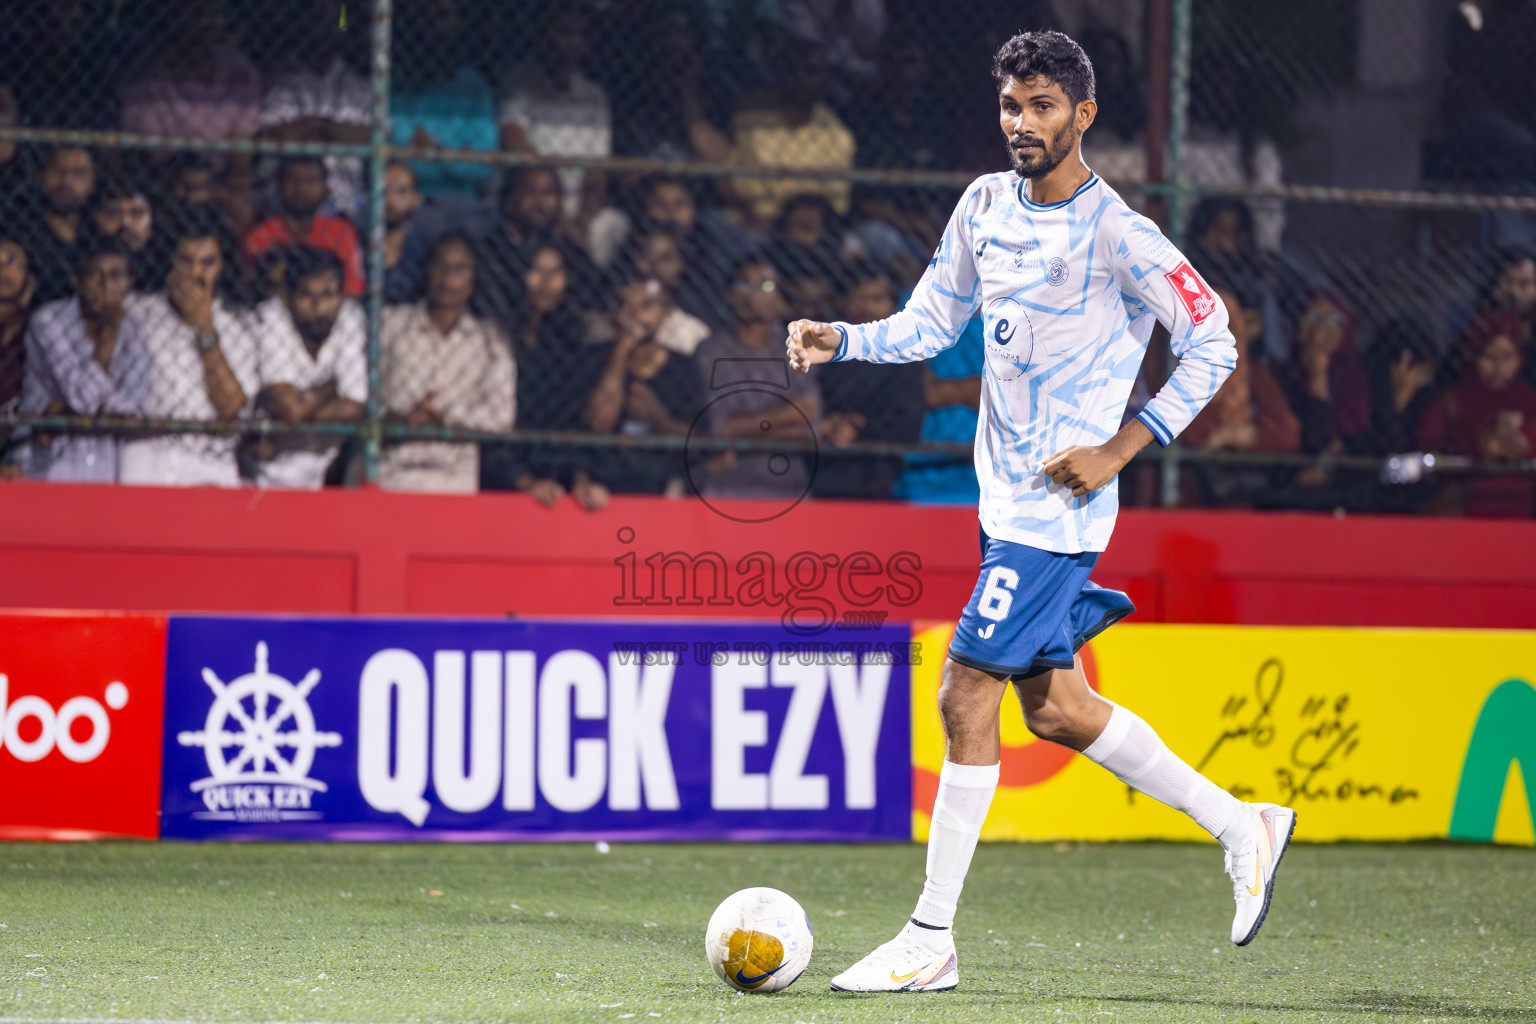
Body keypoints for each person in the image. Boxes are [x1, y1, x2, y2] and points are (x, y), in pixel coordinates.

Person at [785, 31, 1295, 992]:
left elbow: (1215, 340)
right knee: (1057, 709)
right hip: (1001, 500)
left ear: (1083, 115)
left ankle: (930, 938)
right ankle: (1244, 824)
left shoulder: (1120, 233)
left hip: (1059, 513)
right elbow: (931, 323)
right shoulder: (983, 203)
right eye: (1012, 106)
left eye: (1043, 106)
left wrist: (1121, 447)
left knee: (962, 691)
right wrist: (840, 338)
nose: (1023, 123)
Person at [119, 209, 260, 487]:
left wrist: (203, 324)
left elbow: (231, 409)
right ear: (170, 262)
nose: (195, 274)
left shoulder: (241, 324)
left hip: (207, 466)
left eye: (207, 263)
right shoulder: (134, 314)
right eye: (185, 261)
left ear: (222, 266)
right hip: (145, 462)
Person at [378, 233, 514, 493]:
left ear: (474, 278)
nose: (448, 278)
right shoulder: (391, 324)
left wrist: (446, 416)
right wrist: (399, 418)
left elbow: (501, 416)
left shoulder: (490, 339)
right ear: (427, 271)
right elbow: (363, 391)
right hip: (389, 468)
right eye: (440, 266)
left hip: (453, 476)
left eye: (459, 269)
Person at [482, 243, 607, 509]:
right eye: (537, 271)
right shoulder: (498, 333)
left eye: (555, 273)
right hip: (499, 459)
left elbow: (573, 417)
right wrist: (524, 480)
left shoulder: (572, 341)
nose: (546, 283)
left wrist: (580, 478)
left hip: (552, 461)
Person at [18, 237, 149, 482]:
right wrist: (107, 341)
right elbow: (82, 398)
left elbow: (135, 407)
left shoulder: (134, 327)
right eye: (95, 275)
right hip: (48, 461)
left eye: (116, 276)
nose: (105, 285)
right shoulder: (49, 320)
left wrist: (72, 410)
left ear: (129, 284)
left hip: (104, 464)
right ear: (77, 280)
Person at [696, 257, 821, 500]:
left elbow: (808, 424)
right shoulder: (712, 351)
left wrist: (746, 432)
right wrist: (787, 416)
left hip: (790, 486)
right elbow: (721, 428)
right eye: (744, 285)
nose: (751, 294)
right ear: (730, 296)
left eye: (765, 285)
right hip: (727, 486)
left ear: (782, 297)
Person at [248, 246, 366, 489]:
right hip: (265, 470)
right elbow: (290, 409)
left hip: (328, 466)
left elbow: (354, 407)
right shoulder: (272, 314)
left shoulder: (350, 316)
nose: (318, 306)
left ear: (342, 296)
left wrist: (297, 411)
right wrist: (332, 386)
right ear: (288, 297)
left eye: (328, 295)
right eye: (306, 295)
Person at [1179, 276, 1301, 506]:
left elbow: (1287, 435)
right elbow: (1192, 438)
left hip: (1254, 487)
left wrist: (1237, 436)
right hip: (1201, 494)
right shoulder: (1189, 375)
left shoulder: (1258, 375)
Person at [812, 266, 925, 499]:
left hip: (881, 472)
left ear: (892, 305)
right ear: (843, 302)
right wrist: (831, 423)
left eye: (877, 299)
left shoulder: (906, 359)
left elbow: (908, 421)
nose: (867, 307)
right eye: (859, 298)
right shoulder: (821, 351)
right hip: (823, 465)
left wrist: (858, 428)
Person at [1418, 311, 1536, 517]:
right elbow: (1425, 455)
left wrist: (1525, 449)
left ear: (1520, 358)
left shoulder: (1530, 403)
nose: (1498, 368)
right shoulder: (1451, 403)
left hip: (1524, 517)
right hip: (1465, 516)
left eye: (1508, 357)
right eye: (1489, 357)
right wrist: (1475, 450)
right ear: (1472, 355)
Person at [243, 157, 367, 297]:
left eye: (311, 181)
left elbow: (353, 289)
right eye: (293, 180)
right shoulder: (261, 234)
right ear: (279, 186)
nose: (301, 188)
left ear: (325, 190)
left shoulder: (342, 232)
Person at [16, 146, 96, 304]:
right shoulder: (20, 226)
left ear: (93, 181)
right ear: (40, 175)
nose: (66, 181)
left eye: (78, 173)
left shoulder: (97, 226)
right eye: (57, 171)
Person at [384, 161, 430, 303]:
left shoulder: (424, 246)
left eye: (401, 192)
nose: (390, 199)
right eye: (383, 191)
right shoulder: (356, 240)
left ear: (415, 199)